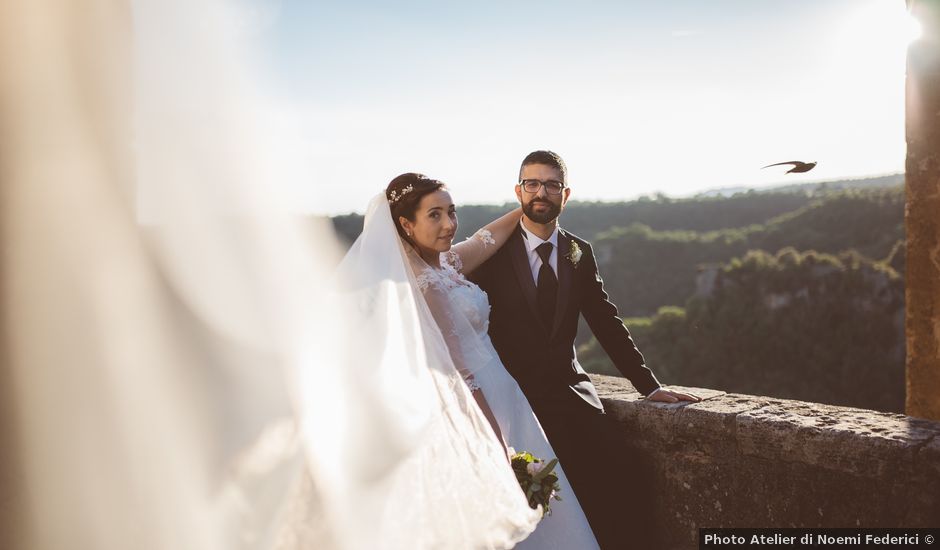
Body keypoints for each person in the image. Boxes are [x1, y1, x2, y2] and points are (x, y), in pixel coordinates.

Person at [469, 150, 701, 549]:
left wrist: (648, 386)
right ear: (519, 190)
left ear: (566, 194)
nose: (541, 192)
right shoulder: (492, 256)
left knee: (621, 475)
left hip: (571, 392)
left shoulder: (579, 252)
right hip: (516, 399)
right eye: (532, 183)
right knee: (537, 502)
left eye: (551, 185)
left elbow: (606, 322)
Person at [384, 172, 601, 549]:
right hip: (481, 408)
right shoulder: (424, 287)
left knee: (542, 513)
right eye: (434, 215)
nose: (449, 224)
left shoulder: (446, 263)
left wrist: (532, 202)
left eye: (451, 212)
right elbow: (459, 375)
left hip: (505, 394)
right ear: (406, 223)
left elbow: (487, 238)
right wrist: (497, 445)